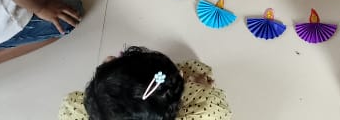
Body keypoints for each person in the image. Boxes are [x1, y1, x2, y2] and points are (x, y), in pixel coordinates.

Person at [59, 46, 233, 120]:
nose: (110, 57)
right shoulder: (207, 110)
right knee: (199, 70)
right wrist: (199, 84)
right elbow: (219, 108)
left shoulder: (72, 108)